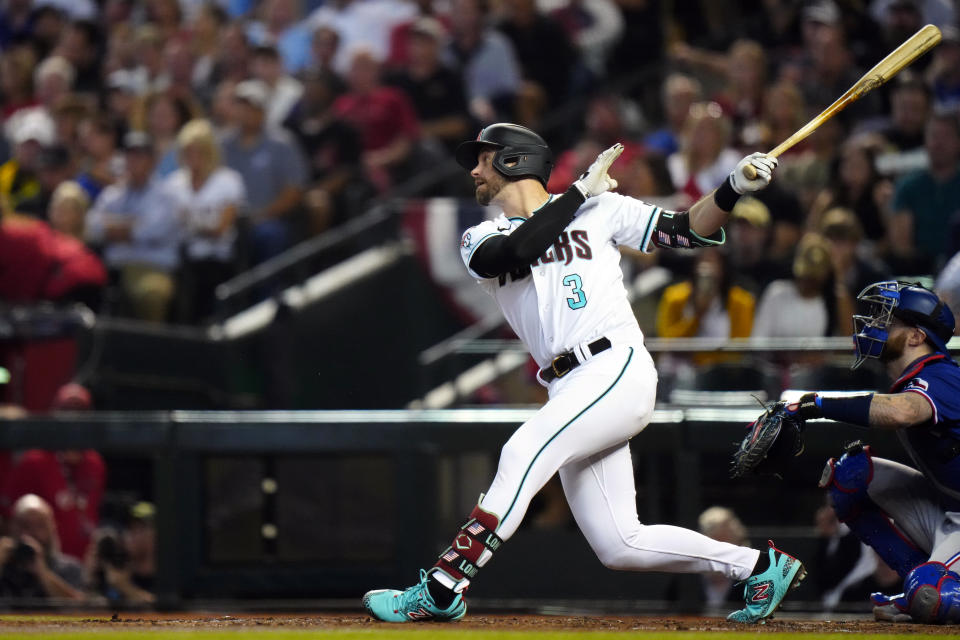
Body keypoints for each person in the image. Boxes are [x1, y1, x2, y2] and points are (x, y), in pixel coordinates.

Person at [362, 123, 804, 624]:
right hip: (567, 384)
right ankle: (758, 566)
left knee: (522, 452)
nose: (474, 170)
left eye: (483, 159)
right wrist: (575, 194)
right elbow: (516, 252)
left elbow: (686, 229)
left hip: (613, 365)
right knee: (620, 543)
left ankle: (444, 585)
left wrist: (732, 188)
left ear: (513, 161)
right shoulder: (482, 235)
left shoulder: (600, 208)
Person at [783, 280, 960, 623]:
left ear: (915, 337)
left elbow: (902, 411)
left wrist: (816, 404)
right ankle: (919, 584)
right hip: (950, 507)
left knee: (931, 594)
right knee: (851, 474)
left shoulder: (942, 374)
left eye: (888, 321)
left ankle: (931, 589)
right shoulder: (917, 376)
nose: (874, 326)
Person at [0, 494, 86, 600]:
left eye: (40, 525)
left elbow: (80, 609)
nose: (32, 533)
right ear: (12, 527)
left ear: (52, 528)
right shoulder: (4, 566)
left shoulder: (69, 568)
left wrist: (42, 572)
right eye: (25, 525)